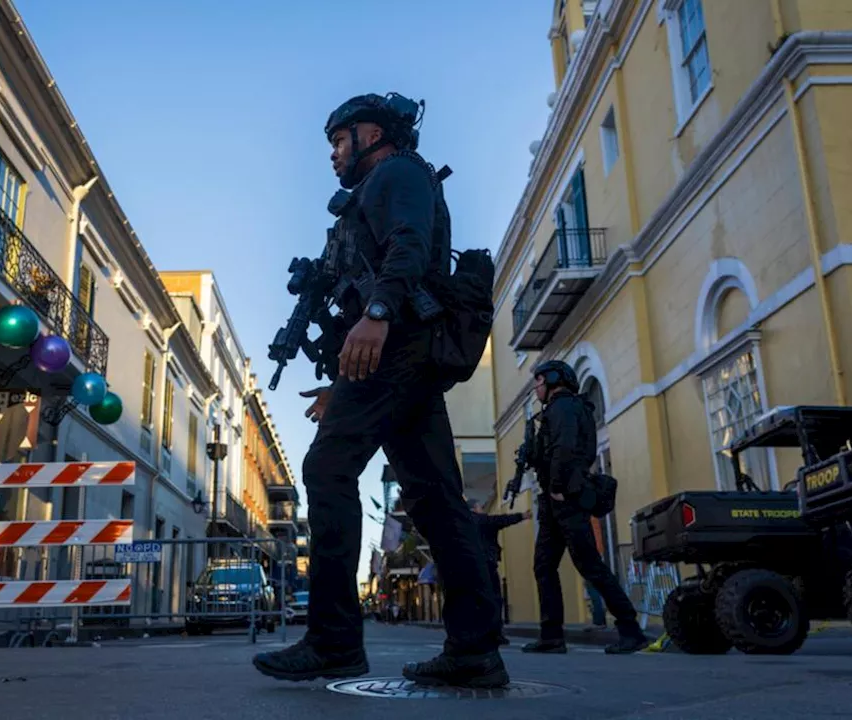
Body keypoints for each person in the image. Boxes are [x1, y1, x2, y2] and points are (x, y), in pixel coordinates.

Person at [252, 93, 508, 689]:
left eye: (339, 141)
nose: (333, 154)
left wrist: (377, 311)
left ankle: (334, 640)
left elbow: (411, 246)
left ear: (371, 133)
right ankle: (475, 649)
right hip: (394, 356)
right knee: (436, 500)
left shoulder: (396, 173)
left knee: (328, 468)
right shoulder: (372, 190)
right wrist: (340, 380)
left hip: (397, 345)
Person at [520, 360, 650, 655]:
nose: (536, 388)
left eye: (539, 381)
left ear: (553, 380)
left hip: (565, 497)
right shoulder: (556, 411)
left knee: (589, 563)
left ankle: (630, 629)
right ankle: (551, 635)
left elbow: (564, 449)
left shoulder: (564, 407)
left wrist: (555, 487)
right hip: (556, 501)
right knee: (544, 566)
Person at [467, 499, 530, 645]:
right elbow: (502, 520)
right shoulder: (484, 521)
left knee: (475, 600)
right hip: (487, 563)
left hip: (470, 565)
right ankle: (495, 633)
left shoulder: (463, 524)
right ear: (475, 508)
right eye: (481, 506)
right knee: (494, 598)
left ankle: (477, 633)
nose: (483, 509)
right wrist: (522, 516)